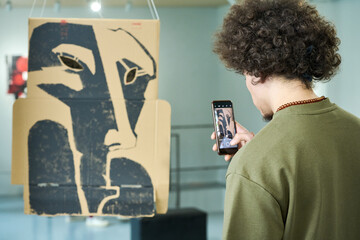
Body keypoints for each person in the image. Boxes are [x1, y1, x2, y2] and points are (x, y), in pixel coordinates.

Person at [211, 0, 360, 239]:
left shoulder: (251, 166)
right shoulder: (356, 130)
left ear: (256, 71)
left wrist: (256, 161)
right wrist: (259, 155)